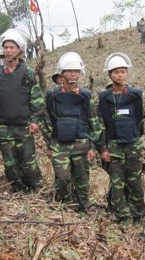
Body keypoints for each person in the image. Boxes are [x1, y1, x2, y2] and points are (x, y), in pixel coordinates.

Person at [0, 29, 45, 192]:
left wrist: (35, 121)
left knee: (28, 165)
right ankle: (18, 190)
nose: (8, 50)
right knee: (11, 166)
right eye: (6, 47)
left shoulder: (28, 73)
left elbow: (36, 99)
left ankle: (33, 188)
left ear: (20, 50)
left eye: (12, 47)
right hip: (2, 128)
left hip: (23, 127)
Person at [44, 52, 104, 213]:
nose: (73, 74)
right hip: (59, 144)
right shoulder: (52, 95)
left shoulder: (86, 96)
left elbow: (94, 122)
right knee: (62, 178)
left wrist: (92, 146)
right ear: (62, 74)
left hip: (81, 144)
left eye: (76, 71)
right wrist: (48, 145)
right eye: (70, 71)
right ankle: (66, 206)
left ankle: (85, 206)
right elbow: (46, 120)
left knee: (82, 178)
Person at [98, 53, 145, 223]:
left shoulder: (136, 94)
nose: (120, 75)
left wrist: (137, 138)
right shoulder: (103, 97)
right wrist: (103, 148)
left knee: (135, 181)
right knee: (117, 182)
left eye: (123, 71)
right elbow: (101, 123)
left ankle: (138, 214)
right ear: (110, 74)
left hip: (132, 143)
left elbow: (140, 119)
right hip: (114, 144)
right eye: (116, 72)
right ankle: (122, 215)